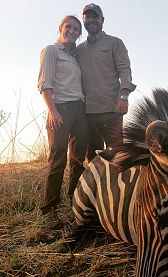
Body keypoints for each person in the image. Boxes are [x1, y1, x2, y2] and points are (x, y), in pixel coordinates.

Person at [37, 15, 88, 230]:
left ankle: (73, 200)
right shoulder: (51, 51)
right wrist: (53, 111)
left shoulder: (75, 57)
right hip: (61, 109)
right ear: (60, 28)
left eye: (77, 29)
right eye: (69, 27)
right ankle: (50, 209)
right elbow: (44, 83)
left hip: (80, 110)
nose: (73, 31)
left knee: (77, 158)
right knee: (57, 158)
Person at [76, 3, 136, 162]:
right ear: (83, 20)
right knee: (92, 158)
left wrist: (123, 98)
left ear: (102, 20)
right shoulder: (78, 49)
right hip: (87, 113)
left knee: (117, 157)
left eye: (95, 16)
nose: (91, 20)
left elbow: (125, 70)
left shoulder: (115, 42)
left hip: (111, 111)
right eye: (87, 16)